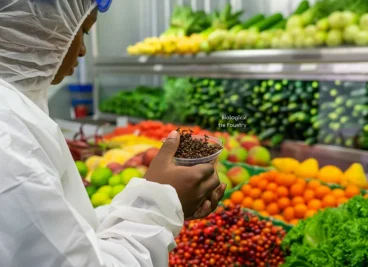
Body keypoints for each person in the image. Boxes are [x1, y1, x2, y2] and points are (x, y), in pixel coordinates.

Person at [0, 1, 226, 266]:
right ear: (36, 25)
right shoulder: (9, 141)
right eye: (83, 30)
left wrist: (155, 200)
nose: (84, 50)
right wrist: (158, 207)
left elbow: (71, 233)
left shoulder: (15, 113)